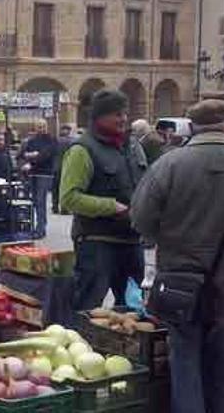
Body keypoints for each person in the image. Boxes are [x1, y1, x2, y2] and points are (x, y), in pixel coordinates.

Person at [130, 99, 224, 413]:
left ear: (192, 127)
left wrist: (169, 242)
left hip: (179, 283)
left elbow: (141, 219)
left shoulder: (170, 164)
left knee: (185, 362)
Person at [60, 89, 146, 310]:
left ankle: (125, 345)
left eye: (125, 113)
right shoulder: (82, 149)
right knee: (88, 306)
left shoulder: (134, 147)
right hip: (96, 242)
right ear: (99, 117)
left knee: (132, 308)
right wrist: (110, 206)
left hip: (132, 241)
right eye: (117, 114)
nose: (123, 119)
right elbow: (69, 198)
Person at [19, 120, 56, 239]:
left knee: (40, 201)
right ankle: (40, 226)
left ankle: (40, 228)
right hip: (33, 174)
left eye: (44, 126)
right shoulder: (32, 141)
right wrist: (32, 155)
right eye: (39, 127)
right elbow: (22, 154)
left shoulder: (51, 140)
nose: (42, 128)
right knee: (35, 201)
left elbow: (45, 156)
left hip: (45, 175)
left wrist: (32, 160)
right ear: (35, 128)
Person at [52, 125, 75, 214]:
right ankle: (64, 208)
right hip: (67, 167)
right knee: (64, 188)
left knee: (55, 188)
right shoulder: (72, 141)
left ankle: (55, 207)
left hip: (56, 167)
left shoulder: (55, 141)